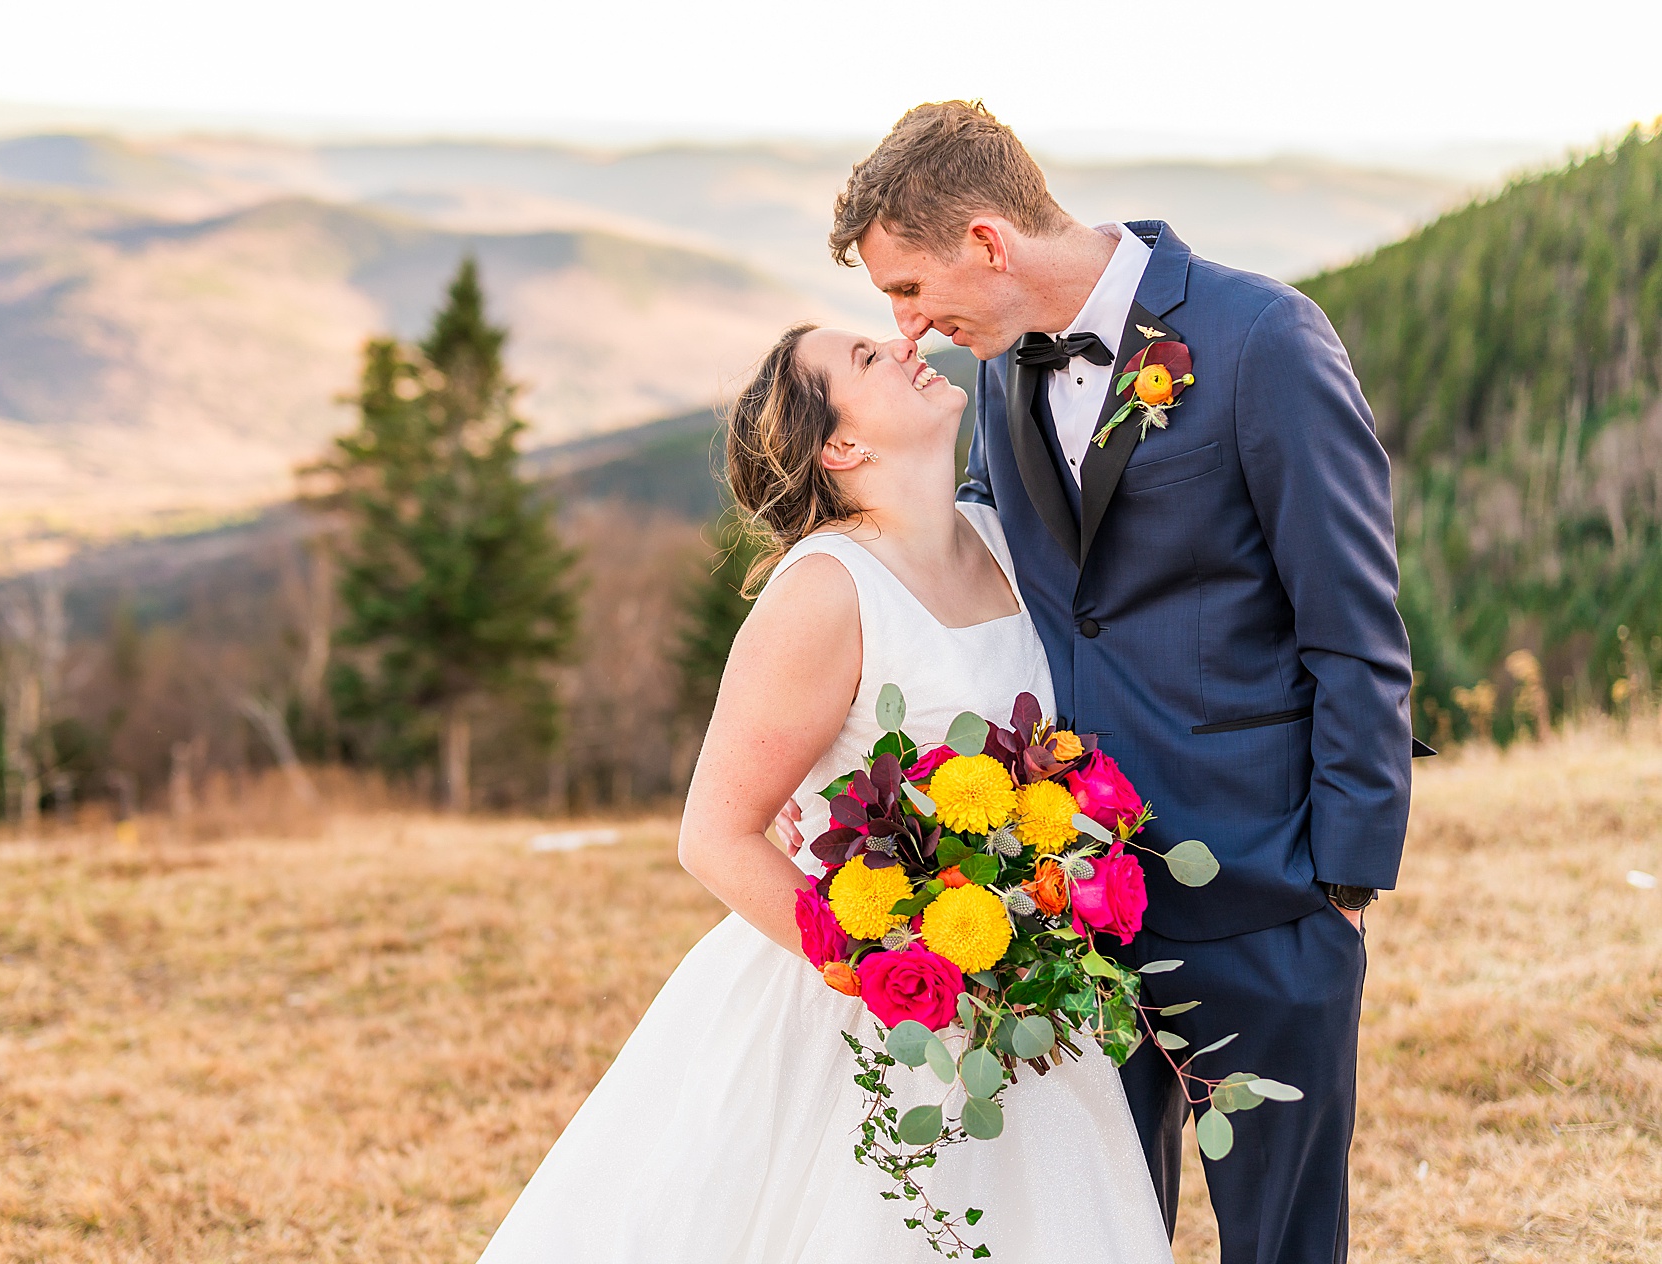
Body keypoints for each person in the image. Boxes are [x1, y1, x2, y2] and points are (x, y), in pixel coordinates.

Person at [812, 101, 1417, 1263]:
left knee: (1280, 1240)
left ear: (987, 241)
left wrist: (1342, 871)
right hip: (1069, 898)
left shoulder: (1261, 339)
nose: (904, 326)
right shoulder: (996, 373)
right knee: (1097, 1231)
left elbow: (1353, 623)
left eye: (908, 286)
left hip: (1266, 886)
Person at [476, 323, 1173, 1262]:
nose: (904, 343)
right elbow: (715, 835)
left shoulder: (1005, 542)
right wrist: (892, 964)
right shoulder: (825, 590)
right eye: (867, 359)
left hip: (1016, 995)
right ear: (841, 447)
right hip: (869, 1003)